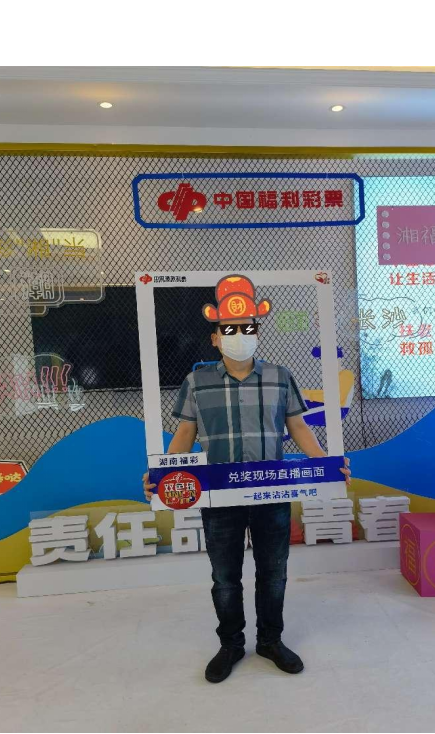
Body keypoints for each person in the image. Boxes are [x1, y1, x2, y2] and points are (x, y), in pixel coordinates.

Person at [143, 279, 350, 684]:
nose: (240, 335)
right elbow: (184, 434)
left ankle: (270, 641)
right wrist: (163, 477)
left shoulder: (279, 377)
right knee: (225, 577)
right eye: (230, 329)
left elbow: (299, 428)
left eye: (248, 328)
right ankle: (231, 645)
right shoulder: (196, 383)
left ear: (257, 331)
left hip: (270, 492)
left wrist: (327, 467)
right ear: (215, 337)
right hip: (219, 498)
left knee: (274, 572)